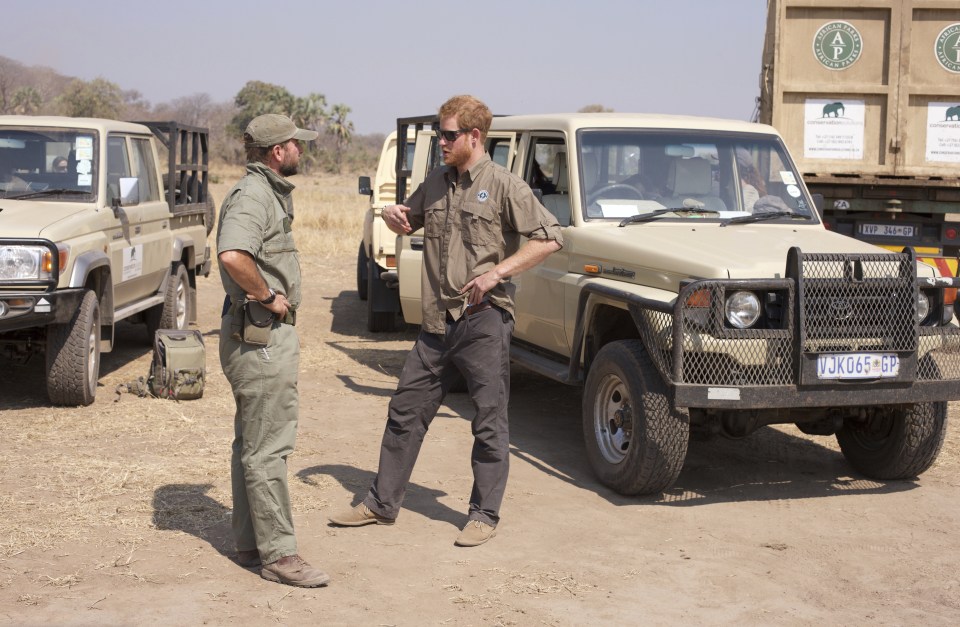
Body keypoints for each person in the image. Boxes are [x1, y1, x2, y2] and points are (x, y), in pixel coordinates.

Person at [329, 95, 563, 547]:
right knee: (404, 412)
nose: (442, 141)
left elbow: (550, 238)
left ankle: (483, 514)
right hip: (436, 326)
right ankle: (381, 504)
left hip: (483, 322)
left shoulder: (504, 186)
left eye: (449, 134)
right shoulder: (435, 181)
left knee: (489, 421)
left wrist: (497, 273)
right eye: (441, 133)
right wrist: (396, 217)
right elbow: (409, 222)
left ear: (474, 137)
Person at [217, 113, 329, 588]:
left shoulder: (264, 193)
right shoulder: (254, 195)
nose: (301, 151)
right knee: (268, 449)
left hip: (259, 334)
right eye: (295, 144)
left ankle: (250, 543)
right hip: (261, 335)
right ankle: (280, 555)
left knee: (252, 444)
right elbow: (233, 255)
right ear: (276, 151)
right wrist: (266, 295)